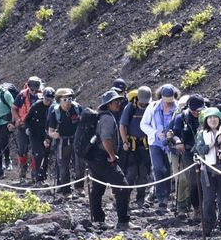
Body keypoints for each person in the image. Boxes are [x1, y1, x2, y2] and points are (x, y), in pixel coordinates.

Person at [84, 89, 131, 230]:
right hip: (103, 158)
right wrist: (111, 155)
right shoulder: (107, 118)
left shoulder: (100, 116)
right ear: (109, 104)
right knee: (123, 187)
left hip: (93, 157)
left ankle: (98, 220)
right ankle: (123, 221)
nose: (119, 104)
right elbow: (106, 138)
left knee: (98, 188)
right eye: (116, 101)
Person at [140, 84, 179, 213]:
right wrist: (156, 133)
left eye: (170, 102)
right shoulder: (153, 107)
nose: (167, 105)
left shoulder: (178, 108)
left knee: (168, 170)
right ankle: (161, 199)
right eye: (165, 101)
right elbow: (143, 124)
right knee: (158, 168)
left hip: (171, 144)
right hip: (155, 143)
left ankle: (167, 196)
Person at [169, 94, 205, 224]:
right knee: (193, 182)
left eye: (199, 110)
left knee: (206, 181)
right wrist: (178, 142)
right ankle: (196, 209)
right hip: (188, 153)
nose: (196, 112)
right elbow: (174, 134)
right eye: (194, 110)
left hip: (205, 152)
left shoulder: (207, 117)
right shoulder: (182, 118)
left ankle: (206, 208)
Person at [195, 107, 221, 237]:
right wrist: (213, 143)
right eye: (210, 118)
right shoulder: (202, 133)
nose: (213, 120)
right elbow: (200, 150)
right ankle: (208, 225)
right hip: (208, 170)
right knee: (208, 199)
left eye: (215, 117)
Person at [119, 87, 153, 203]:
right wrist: (124, 142)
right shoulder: (130, 108)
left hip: (145, 145)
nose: (144, 103)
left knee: (143, 174)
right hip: (131, 145)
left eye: (146, 101)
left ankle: (140, 199)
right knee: (131, 173)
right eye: (142, 101)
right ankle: (124, 197)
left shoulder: (150, 107)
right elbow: (122, 125)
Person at [49, 88, 82, 192]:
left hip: (76, 140)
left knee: (80, 164)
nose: (68, 102)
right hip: (63, 141)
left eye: (69, 99)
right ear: (59, 100)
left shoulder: (77, 108)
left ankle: (79, 187)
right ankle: (66, 189)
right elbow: (50, 131)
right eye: (65, 99)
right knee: (63, 165)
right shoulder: (55, 112)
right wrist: (54, 135)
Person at [12, 75, 42, 182]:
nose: (34, 90)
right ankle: (23, 171)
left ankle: (34, 173)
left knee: (35, 151)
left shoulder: (41, 97)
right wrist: (18, 120)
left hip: (35, 128)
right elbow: (14, 108)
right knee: (22, 149)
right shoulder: (22, 95)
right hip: (22, 126)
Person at [26, 86, 54, 184]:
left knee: (46, 155)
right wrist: (27, 128)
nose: (48, 102)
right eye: (46, 99)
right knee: (38, 154)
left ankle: (42, 176)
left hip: (47, 135)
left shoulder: (53, 108)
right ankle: (36, 175)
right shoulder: (36, 106)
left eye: (50, 99)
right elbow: (27, 119)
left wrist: (49, 137)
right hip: (35, 134)